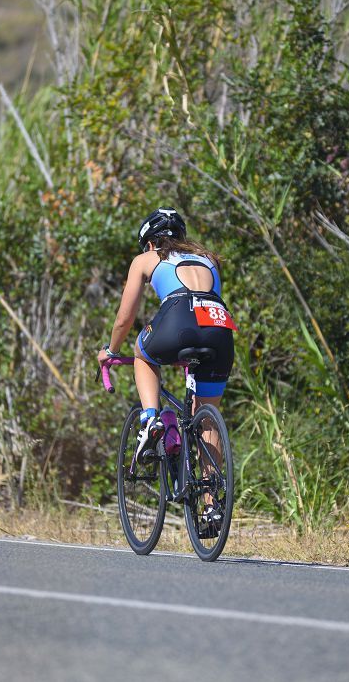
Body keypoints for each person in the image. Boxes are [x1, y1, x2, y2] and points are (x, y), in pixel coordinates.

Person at [97, 207, 236, 529]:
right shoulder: (208, 258)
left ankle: (150, 420)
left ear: (149, 242)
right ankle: (212, 507)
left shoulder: (147, 258)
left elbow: (124, 317)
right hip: (219, 327)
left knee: (143, 353)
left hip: (178, 318)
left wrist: (110, 351)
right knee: (208, 421)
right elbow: (207, 299)